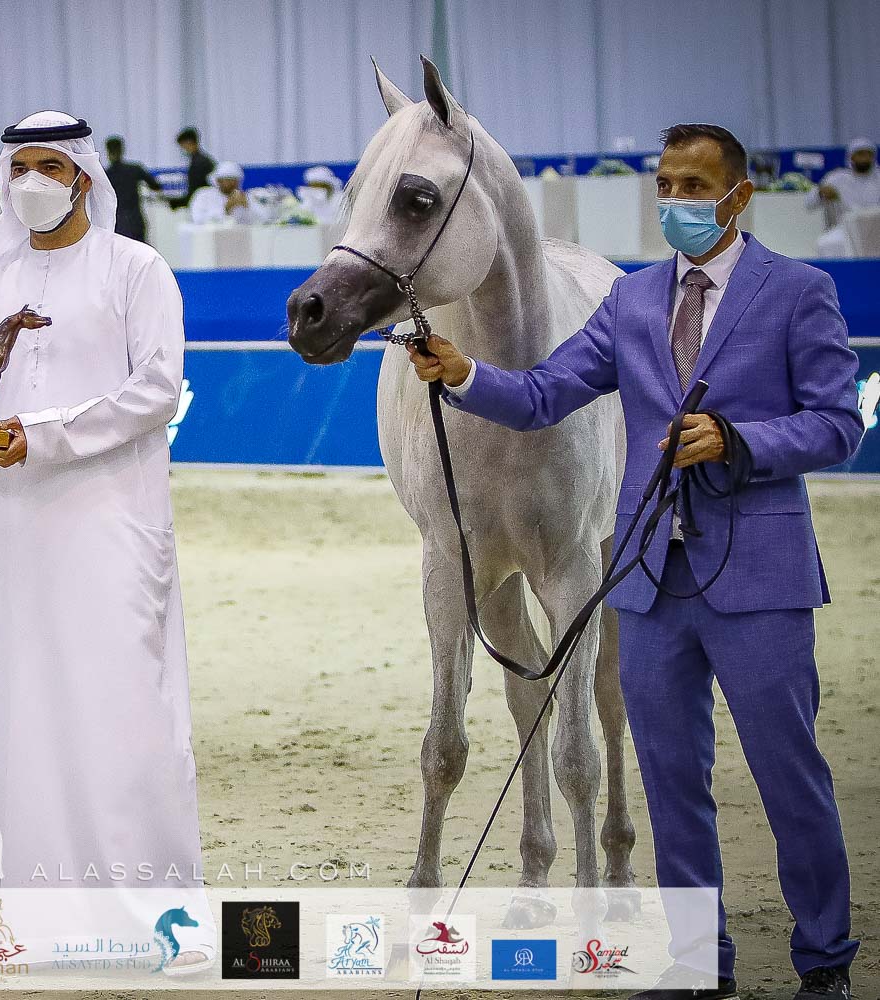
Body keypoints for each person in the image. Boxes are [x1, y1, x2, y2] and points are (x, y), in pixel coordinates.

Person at [407, 123, 860, 1000]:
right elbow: (545, 393)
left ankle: (825, 960)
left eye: (696, 186)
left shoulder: (798, 292)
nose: (677, 201)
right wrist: (464, 374)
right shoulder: (632, 300)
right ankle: (697, 963)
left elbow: (838, 423)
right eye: (667, 185)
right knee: (671, 785)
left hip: (760, 577)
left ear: (739, 195)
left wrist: (739, 441)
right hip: (652, 581)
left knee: (789, 778)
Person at [0, 109, 214, 972]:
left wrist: (44, 434)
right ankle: (35, 919)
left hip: (109, 524)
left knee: (123, 709)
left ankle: (161, 923)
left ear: (84, 176)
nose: (32, 182)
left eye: (49, 166)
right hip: (9, 528)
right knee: (17, 712)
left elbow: (157, 389)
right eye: (18, 167)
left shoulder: (137, 269)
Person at [808, 139, 879, 256]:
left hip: (876, 229)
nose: (864, 158)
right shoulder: (837, 178)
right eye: (860, 154)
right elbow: (809, 203)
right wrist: (820, 193)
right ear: (851, 157)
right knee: (826, 244)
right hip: (846, 229)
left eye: (868, 154)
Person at [103, 135, 163, 242]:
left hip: (118, 222)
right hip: (136, 220)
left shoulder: (105, 175)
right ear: (122, 150)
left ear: (107, 152)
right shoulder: (135, 169)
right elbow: (156, 186)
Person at [189, 160, 267, 224]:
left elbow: (264, 221)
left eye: (235, 180)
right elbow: (198, 219)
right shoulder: (204, 195)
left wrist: (248, 205)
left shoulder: (245, 197)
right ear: (218, 181)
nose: (232, 183)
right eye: (228, 179)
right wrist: (225, 209)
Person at [169, 126, 216, 209]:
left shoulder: (199, 163)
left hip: (203, 204)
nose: (183, 149)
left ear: (189, 142)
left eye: (182, 146)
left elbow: (195, 192)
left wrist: (173, 203)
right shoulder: (204, 160)